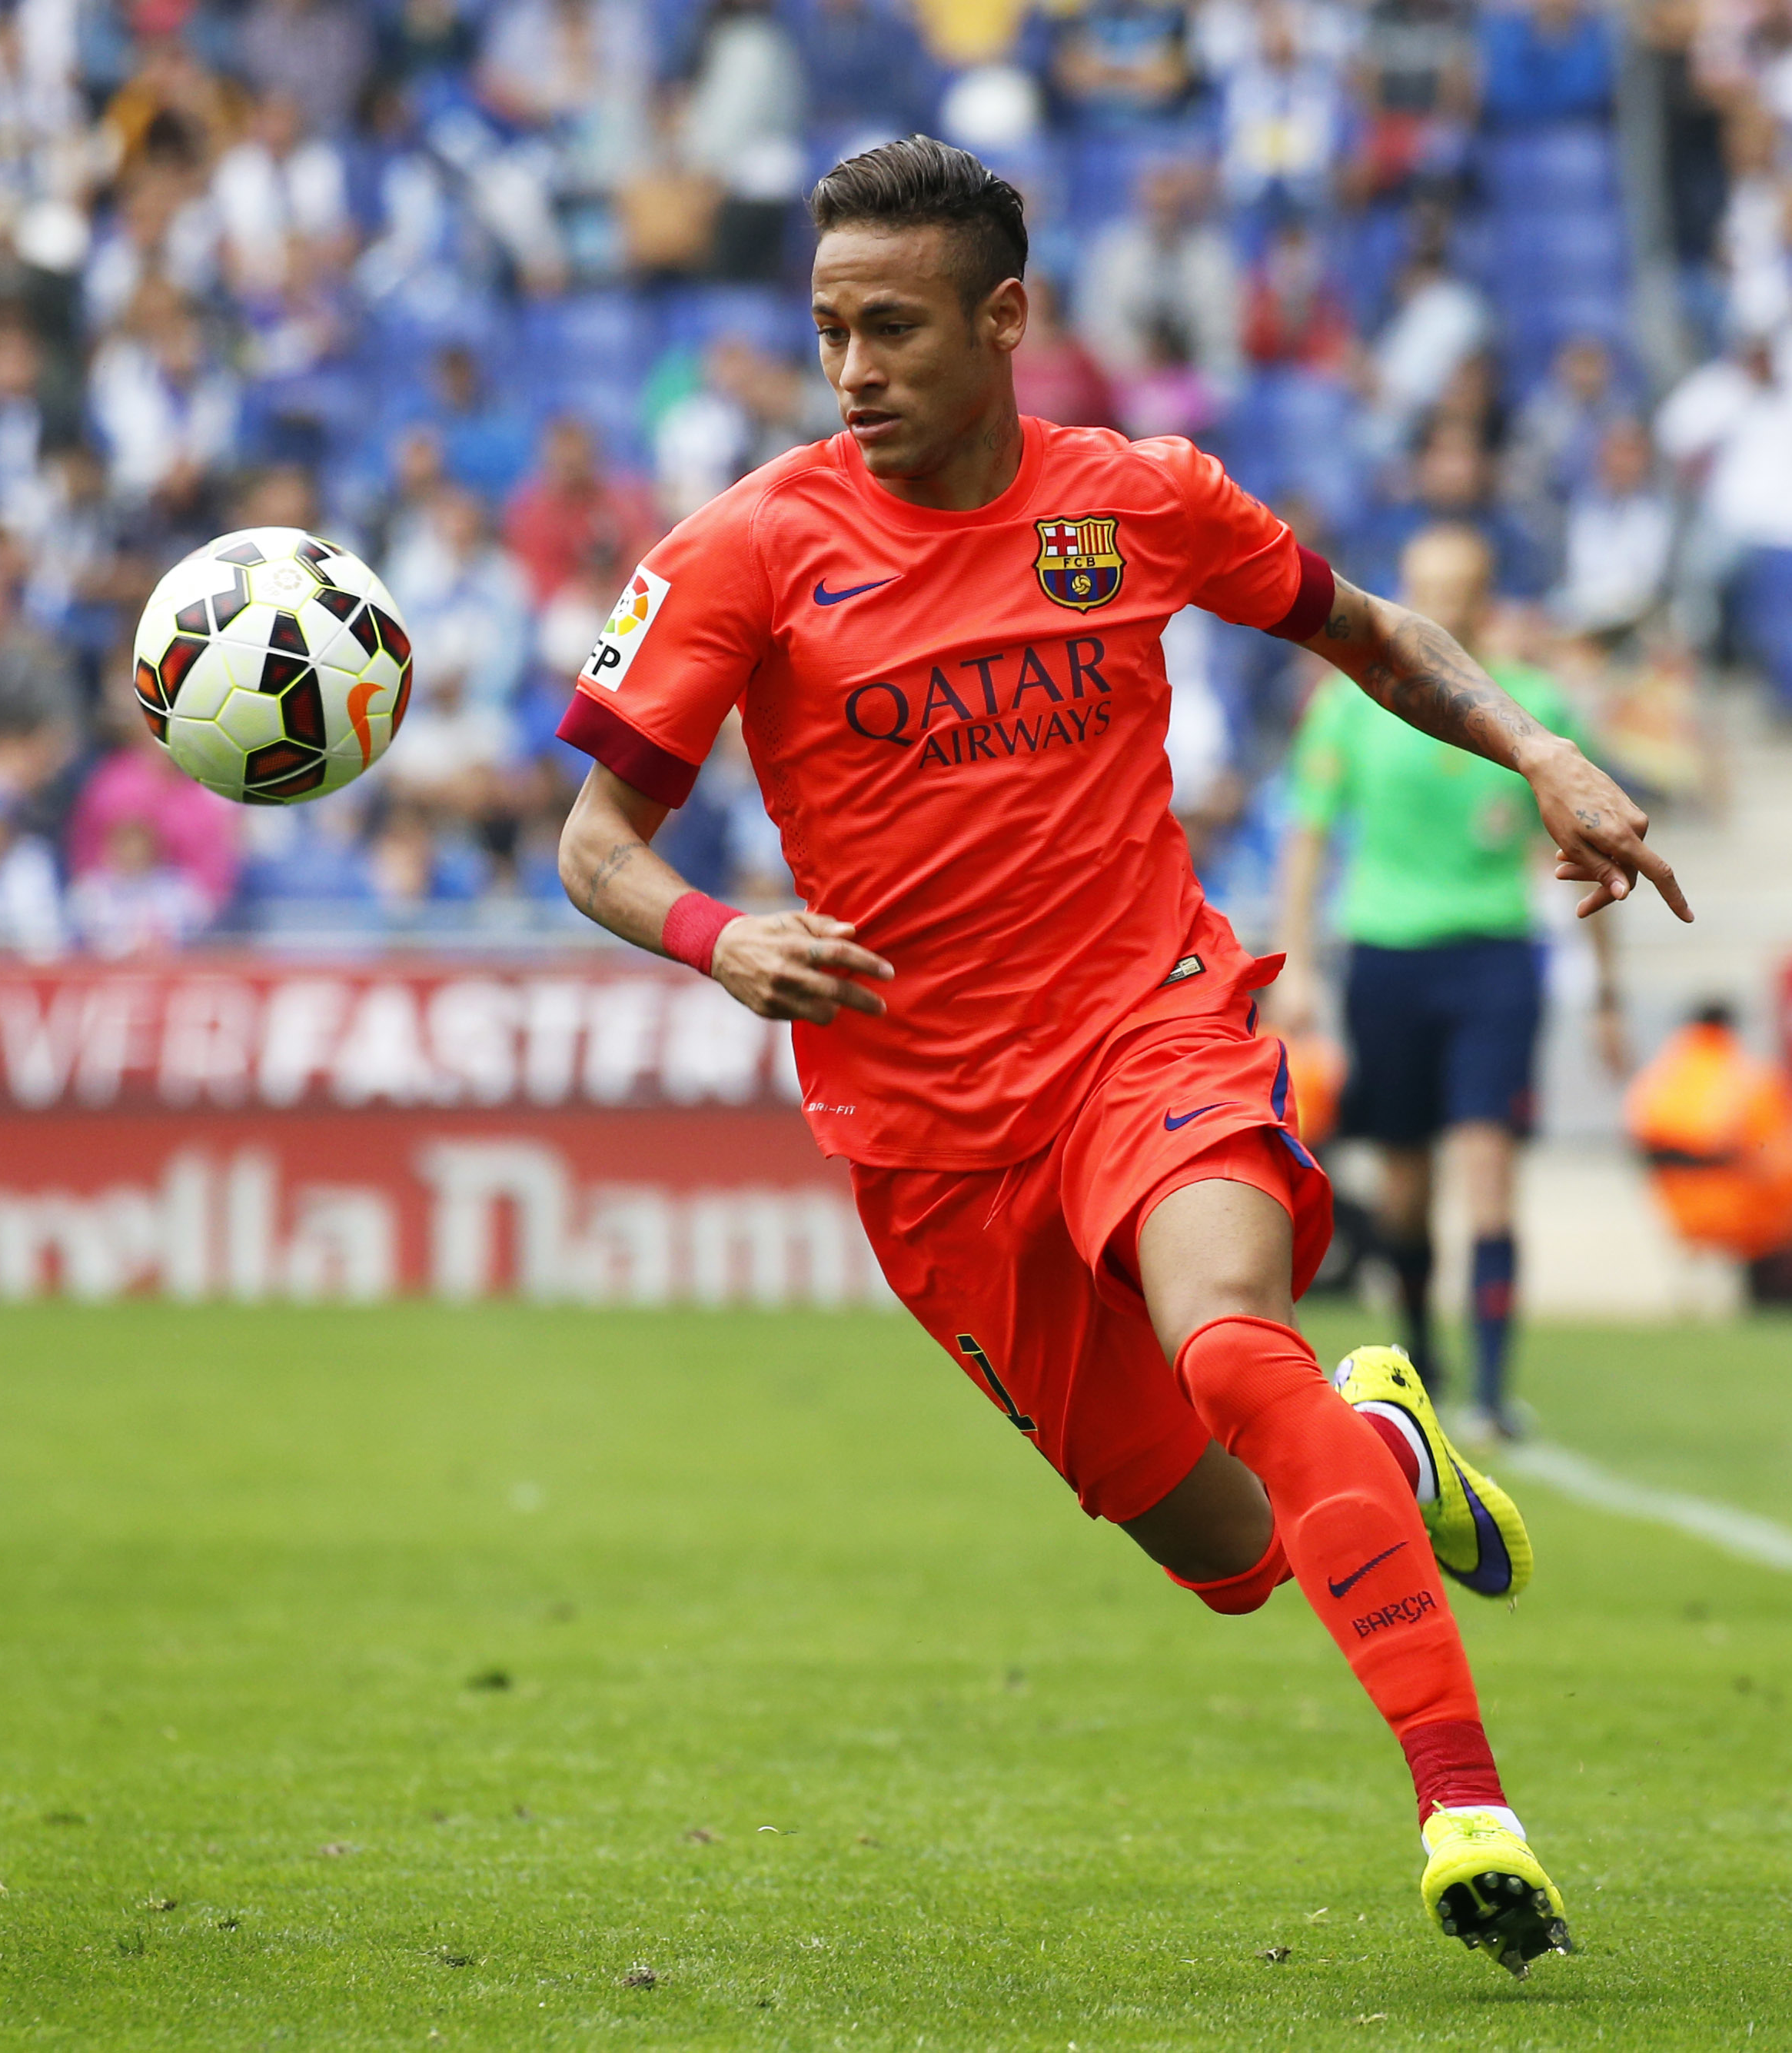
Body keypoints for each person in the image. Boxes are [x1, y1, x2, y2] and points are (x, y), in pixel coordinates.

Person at [553, 137, 1687, 1973]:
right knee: (1233, 1552)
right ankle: (1385, 1450)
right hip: (927, 1135)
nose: (855, 370)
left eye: (895, 329)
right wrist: (719, 931)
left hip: (1146, 1026)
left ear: (1006, 320)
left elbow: (1362, 632)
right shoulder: (743, 549)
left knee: (1239, 1347)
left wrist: (1538, 754)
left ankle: (1463, 1801)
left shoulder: (1140, 498)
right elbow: (591, 843)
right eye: (831, 329)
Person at [1272, 523, 1625, 1439]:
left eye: (1462, 588)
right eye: (1428, 586)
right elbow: (1308, 834)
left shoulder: (1538, 706)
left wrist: (1607, 992)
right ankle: (1422, 1355)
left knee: (1489, 1169)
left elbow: (1591, 851)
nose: (1446, 605)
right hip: (1384, 956)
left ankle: (1494, 1393)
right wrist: (1298, 962)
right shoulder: (1349, 704)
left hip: (1494, 957)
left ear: (1488, 597)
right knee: (1404, 1186)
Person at [1625, 1001, 1792, 1296]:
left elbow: (1640, 1142)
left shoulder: (1656, 1079)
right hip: (1741, 1209)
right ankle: (1767, 1299)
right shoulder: (1750, 1077)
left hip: (1676, 1209)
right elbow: (1773, 1151)